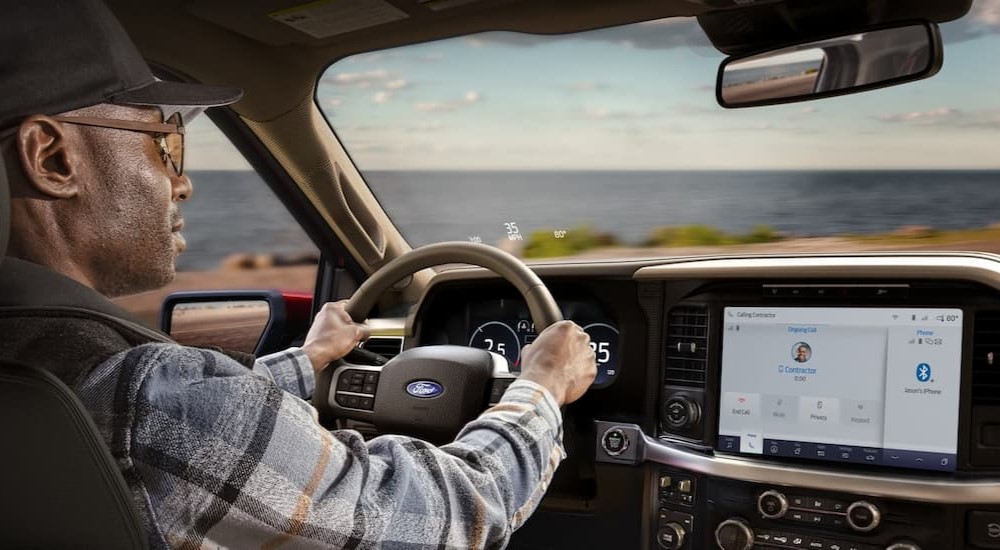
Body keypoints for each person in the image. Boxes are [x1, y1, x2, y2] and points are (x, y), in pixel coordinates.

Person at [0, 1, 597, 548]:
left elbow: (201, 430)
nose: (183, 182)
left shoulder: (60, 372)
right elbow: (454, 510)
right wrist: (541, 388)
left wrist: (309, 359)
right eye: (165, 142)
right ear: (52, 158)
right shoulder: (150, 401)